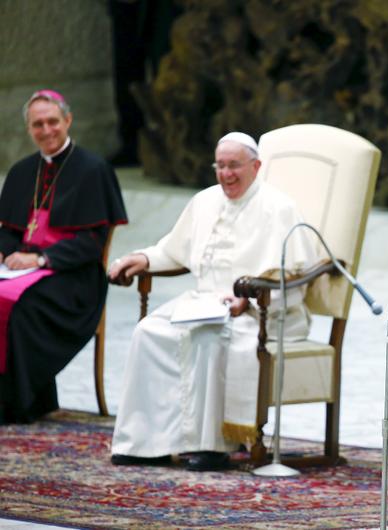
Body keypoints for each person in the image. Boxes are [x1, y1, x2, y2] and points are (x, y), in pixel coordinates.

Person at [108, 132, 318, 472]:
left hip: (262, 311)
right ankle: (147, 444)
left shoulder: (279, 207)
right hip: (204, 300)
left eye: (234, 166)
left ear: (256, 166)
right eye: (220, 166)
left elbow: (293, 273)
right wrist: (143, 259)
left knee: (207, 335)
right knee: (149, 331)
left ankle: (211, 447)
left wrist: (247, 301)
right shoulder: (204, 201)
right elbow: (172, 249)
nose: (226, 174)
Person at [0, 90, 128, 424]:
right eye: (37, 124)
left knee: (24, 309)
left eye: (52, 121)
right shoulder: (21, 172)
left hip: (74, 278)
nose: (46, 130)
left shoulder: (93, 169)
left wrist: (41, 260)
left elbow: (91, 242)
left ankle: (20, 402)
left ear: (67, 120)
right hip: (20, 271)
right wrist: (9, 252)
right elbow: (8, 230)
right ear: (29, 129)